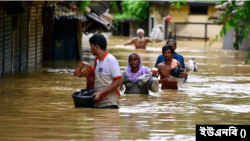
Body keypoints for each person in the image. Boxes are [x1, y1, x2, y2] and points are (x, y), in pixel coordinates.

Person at [74, 34, 122, 109]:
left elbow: (119, 81)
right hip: (99, 104)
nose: (90, 48)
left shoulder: (111, 60)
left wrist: (101, 93)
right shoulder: (97, 60)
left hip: (109, 104)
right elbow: (77, 75)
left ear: (96, 47)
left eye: (91, 46)